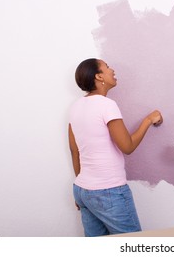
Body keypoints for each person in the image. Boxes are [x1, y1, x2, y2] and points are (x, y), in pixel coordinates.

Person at [68, 58, 163, 236]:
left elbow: (75, 151)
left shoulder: (75, 107)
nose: (112, 70)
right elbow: (127, 146)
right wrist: (148, 120)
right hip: (108, 191)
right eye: (107, 67)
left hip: (82, 190)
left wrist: (83, 189)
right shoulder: (107, 105)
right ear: (99, 76)